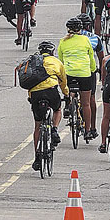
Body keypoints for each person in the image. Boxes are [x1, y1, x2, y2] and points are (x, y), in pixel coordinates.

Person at [23, 40, 67, 171]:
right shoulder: (56, 62)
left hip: (36, 94)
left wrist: (31, 97)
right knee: (58, 109)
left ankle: (37, 156)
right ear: (52, 52)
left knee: (37, 125)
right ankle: (54, 129)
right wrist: (67, 94)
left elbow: (28, 79)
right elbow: (63, 81)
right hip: (51, 91)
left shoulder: (33, 62)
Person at [57, 16, 99, 140]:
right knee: (86, 103)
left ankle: (69, 103)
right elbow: (91, 58)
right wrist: (92, 70)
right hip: (84, 74)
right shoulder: (86, 40)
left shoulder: (63, 41)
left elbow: (60, 59)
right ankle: (87, 130)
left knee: (69, 90)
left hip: (69, 73)